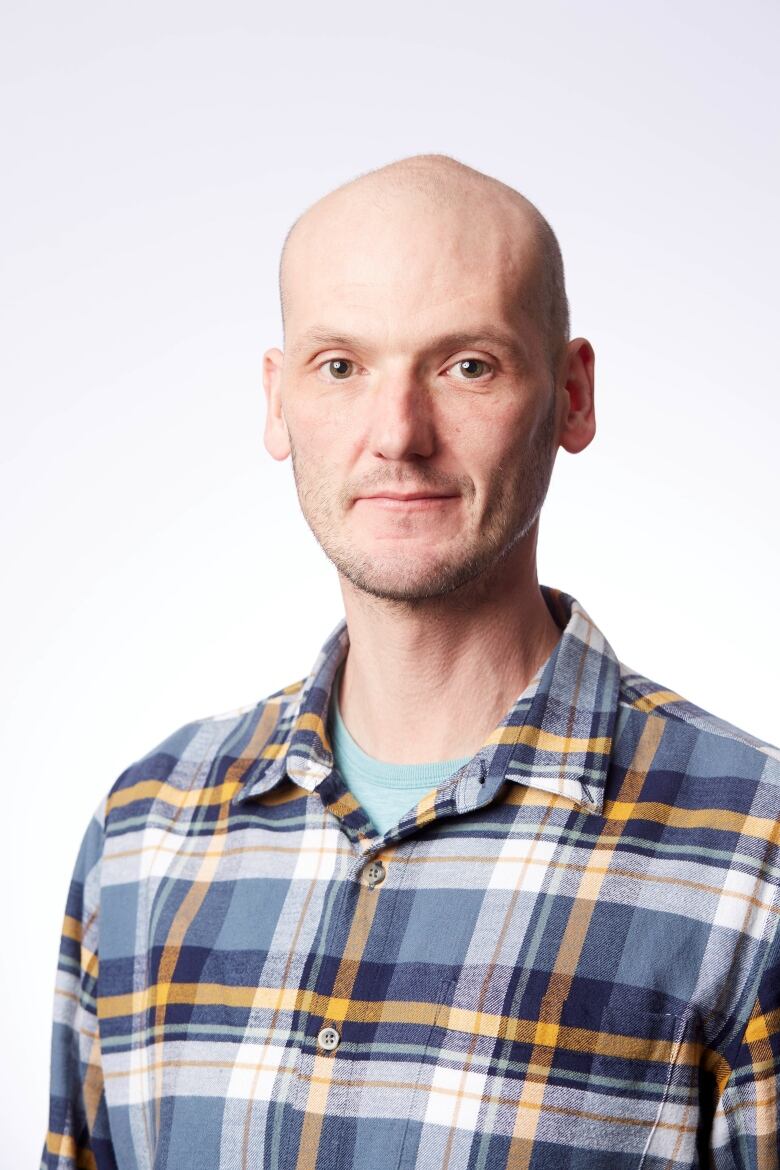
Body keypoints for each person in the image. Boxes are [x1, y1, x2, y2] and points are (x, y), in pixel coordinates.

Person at [42, 153, 779, 1170]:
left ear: (570, 396)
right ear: (278, 398)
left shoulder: (755, 850)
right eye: (341, 366)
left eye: (465, 365)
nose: (398, 435)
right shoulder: (146, 832)